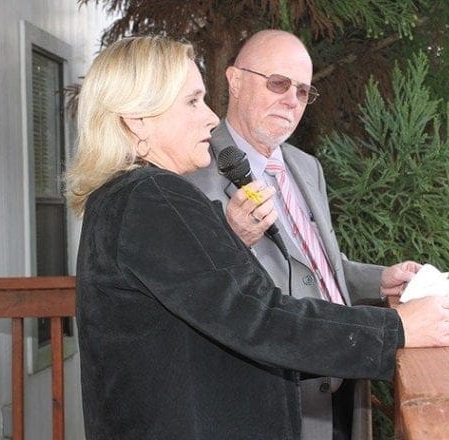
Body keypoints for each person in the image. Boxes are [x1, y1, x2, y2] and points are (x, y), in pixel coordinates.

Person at [66, 35, 449, 440]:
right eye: (192, 101)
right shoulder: (154, 196)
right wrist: (395, 328)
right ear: (137, 118)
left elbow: (208, 305)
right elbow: (260, 315)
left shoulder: (124, 196)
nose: (209, 117)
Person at [185, 29, 434, 440]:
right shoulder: (192, 170)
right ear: (234, 79)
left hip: (344, 387)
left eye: (302, 91)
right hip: (272, 400)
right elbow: (204, 289)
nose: (291, 100)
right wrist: (230, 234)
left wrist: (379, 279)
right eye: (279, 83)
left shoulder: (305, 166)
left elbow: (316, 267)